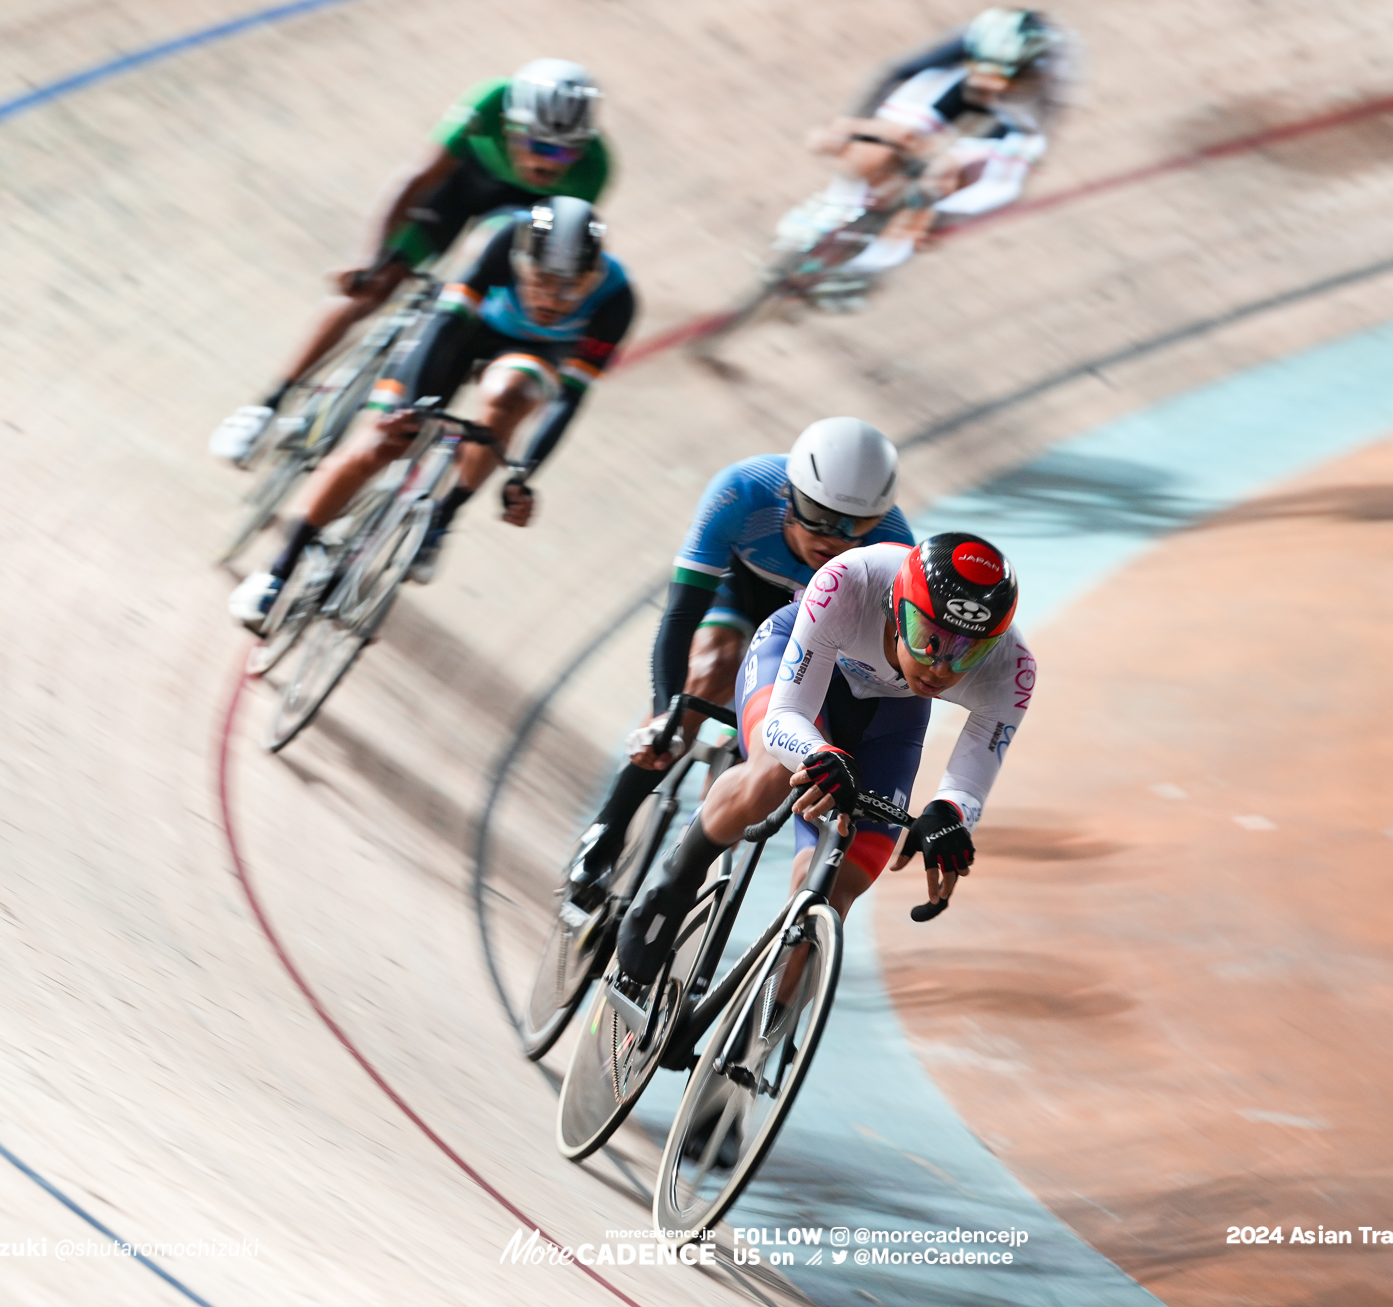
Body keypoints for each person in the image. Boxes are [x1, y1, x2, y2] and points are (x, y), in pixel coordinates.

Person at [612, 532, 1036, 997]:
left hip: (891, 714)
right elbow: (785, 719)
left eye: (967, 653)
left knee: (836, 889)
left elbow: (971, 779)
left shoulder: (1011, 666)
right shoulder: (851, 581)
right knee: (773, 774)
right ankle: (676, 880)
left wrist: (950, 815)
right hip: (797, 665)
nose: (940, 668)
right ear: (896, 607)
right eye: (928, 639)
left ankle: (748, 1042)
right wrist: (819, 755)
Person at [228, 197, 634, 626]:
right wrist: (408, 410)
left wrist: (523, 474)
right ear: (521, 259)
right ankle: (278, 571)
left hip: (531, 354)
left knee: (511, 396)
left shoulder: (617, 299)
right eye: (540, 281)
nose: (552, 300)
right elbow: (443, 323)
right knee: (374, 445)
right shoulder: (502, 241)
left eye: (571, 288)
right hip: (464, 330)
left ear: (595, 276)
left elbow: (569, 397)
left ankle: (441, 518)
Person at [565, 418, 914, 903]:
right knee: (711, 668)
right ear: (790, 494)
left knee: (785, 745)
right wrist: (666, 709)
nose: (832, 537)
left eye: (855, 525)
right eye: (816, 514)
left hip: (815, 631)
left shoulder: (895, 549)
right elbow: (683, 613)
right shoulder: (743, 492)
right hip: (741, 597)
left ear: (880, 519)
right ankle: (607, 830)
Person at [209, 59, 611, 463]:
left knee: (479, 286)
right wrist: (369, 258)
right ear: (511, 126)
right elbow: (417, 178)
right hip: (464, 182)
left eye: (565, 152)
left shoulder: (595, 168)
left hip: (521, 215)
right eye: (540, 146)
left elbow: (550, 256)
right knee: (374, 286)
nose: (549, 163)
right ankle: (265, 406)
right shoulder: (489, 101)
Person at [780, 8, 1075, 311]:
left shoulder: (1047, 83)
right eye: (983, 66)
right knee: (890, 133)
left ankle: (871, 267)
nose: (989, 80)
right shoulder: (975, 39)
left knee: (958, 187)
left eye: (999, 74)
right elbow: (899, 72)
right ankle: (838, 202)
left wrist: (936, 210)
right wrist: (859, 129)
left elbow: (1010, 148)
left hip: (1016, 121)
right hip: (965, 85)